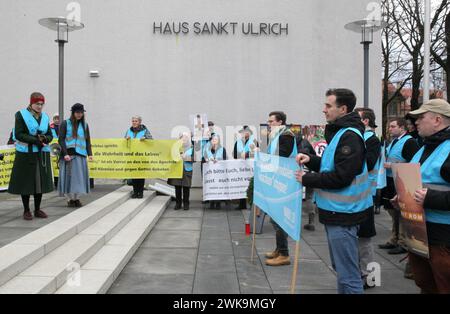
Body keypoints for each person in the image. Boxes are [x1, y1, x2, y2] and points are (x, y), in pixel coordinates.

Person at [295, 89, 372, 294]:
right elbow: (332, 165)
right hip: (338, 212)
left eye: (328, 106)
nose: (324, 109)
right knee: (343, 270)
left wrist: (306, 178)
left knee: (348, 275)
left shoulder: (349, 136)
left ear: (343, 108)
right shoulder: (341, 132)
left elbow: (341, 177)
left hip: (344, 214)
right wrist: (311, 160)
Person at [399, 99, 450, 293]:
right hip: (419, 233)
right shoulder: (425, 147)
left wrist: (430, 198)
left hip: (443, 237)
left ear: (437, 120)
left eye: (421, 117)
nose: (416, 122)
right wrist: (402, 198)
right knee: (426, 284)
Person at [8, 92, 53, 220]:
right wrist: (35, 140)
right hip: (25, 154)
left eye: (41, 104)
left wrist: (45, 138)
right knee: (26, 182)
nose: (39, 106)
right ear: (31, 103)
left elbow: (50, 134)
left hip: (41, 153)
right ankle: (26, 210)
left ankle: (37, 209)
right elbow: (19, 134)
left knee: (40, 182)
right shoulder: (21, 115)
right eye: (37, 104)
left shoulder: (44, 117)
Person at [379, 118, 419, 254]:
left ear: (402, 128)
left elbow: (413, 165)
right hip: (391, 180)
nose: (390, 129)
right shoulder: (394, 142)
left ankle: (403, 242)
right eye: (389, 126)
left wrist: (392, 165)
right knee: (393, 211)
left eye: (393, 126)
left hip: (401, 181)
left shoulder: (409, 142)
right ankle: (394, 238)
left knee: (401, 213)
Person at [264, 111, 298, 267]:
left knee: (279, 219)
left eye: (271, 121)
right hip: (277, 181)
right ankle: (279, 248)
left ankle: (284, 254)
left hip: (284, 182)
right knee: (275, 217)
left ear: (280, 122)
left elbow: (280, 157)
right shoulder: (277, 135)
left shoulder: (286, 136)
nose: (269, 124)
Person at [354, 107, 381, 288]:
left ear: (365, 121)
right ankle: (360, 273)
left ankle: (371, 278)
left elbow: (369, 163)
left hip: (365, 196)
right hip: (356, 195)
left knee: (365, 239)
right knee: (358, 239)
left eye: (356, 118)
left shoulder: (372, 140)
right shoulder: (361, 138)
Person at [58, 103, 93, 207]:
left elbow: (87, 141)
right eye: (77, 112)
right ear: (73, 113)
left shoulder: (85, 125)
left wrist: (90, 154)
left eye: (81, 112)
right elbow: (61, 139)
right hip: (69, 155)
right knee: (68, 178)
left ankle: (77, 198)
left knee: (79, 179)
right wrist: (65, 153)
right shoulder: (65, 123)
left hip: (81, 155)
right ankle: (70, 199)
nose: (79, 114)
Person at [125, 116, 153, 199]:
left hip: (142, 156)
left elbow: (151, 140)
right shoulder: (128, 131)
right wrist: (126, 139)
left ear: (140, 122)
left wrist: (146, 138)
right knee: (134, 175)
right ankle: (135, 192)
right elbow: (124, 143)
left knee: (140, 175)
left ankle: (140, 192)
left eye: (136, 121)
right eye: (133, 121)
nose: (134, 122)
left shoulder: (145, 130)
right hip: (132, 156)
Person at [233, 125, 257, 210]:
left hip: (250, 167)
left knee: (250, 184)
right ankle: (242, 204)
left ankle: (252, 203)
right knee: (241, 184)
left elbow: (257, 153)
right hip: (241, 167)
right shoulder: (238, 142)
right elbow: (235, 154)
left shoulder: (254, 141)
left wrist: (246, 155)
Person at [168, 132, 194, 210]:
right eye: (183, 137)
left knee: (186, 188)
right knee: (177, 188)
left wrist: (186, 158)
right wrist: (177, 157)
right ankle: (178, 203)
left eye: (186, 137)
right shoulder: (175, 147)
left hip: (187, 170)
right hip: (177, 169)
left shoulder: (192, 148)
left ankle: (186, 204)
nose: (184, 139)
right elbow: (170, 157)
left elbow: (194, 159)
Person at [204, 134, 227, 209]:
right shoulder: (207, 149)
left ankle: (218, 203)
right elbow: (203, 158)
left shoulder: (222, 149)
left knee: (218, 186)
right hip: (210, 172)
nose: (214, 141)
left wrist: (218, 160)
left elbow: (224, 159)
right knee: (211, 186)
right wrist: (207, 160)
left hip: (219, 172)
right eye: (213, 140)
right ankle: (211, 202)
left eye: (216, 140)